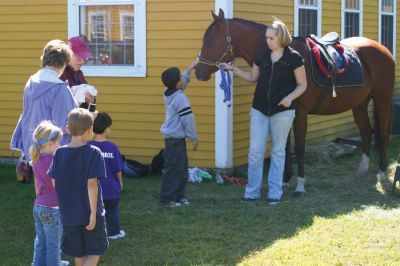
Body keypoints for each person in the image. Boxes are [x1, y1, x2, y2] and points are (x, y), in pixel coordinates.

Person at [221, 18, 307, 205]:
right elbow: (253, 77)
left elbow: (302, 85)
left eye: (270, 38)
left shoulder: (294, 57)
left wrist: (290, 97)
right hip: (259, 108)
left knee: (277, 152)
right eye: (266, 37)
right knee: (255, 152)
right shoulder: (261, 54)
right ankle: (251, 193)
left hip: (282, 111)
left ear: (281, 38)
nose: (267, 41)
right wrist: (234, 69)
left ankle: (274, 193)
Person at [48, 108, 108, 266]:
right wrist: (93, 215)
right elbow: (92, 184)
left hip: (68, 216)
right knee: (95, 252)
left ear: (68, 129)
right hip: (90, 215)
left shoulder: (59, 153)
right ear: (90, 130)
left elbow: (54, 182)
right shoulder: (94, 153)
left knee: (78, 254)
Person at [10, 39, 77, 162]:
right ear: (63, 63)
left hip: (33, 146)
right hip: (53, 149)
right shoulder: (59, 89)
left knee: (40, 181)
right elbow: (66, 124)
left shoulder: (30, 83)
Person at [159, 60, 199, 207]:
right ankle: (167, 198)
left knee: (182, 169)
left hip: (175, 138)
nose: (183, 78)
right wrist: (193, 138)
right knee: (173, 169)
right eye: (180, 78)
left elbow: (183, 80)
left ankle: (179, 196)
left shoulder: (169, 92)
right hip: (174, 140)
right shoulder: (180, 98)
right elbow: (188, 120)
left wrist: (192, 67)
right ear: (177, 84)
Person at [30, 121, 66, 266]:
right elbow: (56, 184)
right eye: (58, 143)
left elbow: (37, 187)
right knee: (54, 244)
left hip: (39, 206)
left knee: (41, 241)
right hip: (53, 209)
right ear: (50, 143)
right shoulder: (54, 160)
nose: (59, 145)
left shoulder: (36, 159)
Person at [88, 112, 125, 240]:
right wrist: (120, 182)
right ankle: (113, 232)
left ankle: (92, 231)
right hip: (110, 188)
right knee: (112, 211)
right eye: (110, 126)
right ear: (106, 128)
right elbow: (118, 169)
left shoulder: (88, 147)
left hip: (91, 189)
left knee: (93, 210)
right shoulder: (112, 148)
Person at [60, 36, 96, 109]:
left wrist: (91, 101)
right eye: (79, 57)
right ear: (68, 54)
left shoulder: (79, 73)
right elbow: (61, 102)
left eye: (84, 58)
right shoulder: (60, 72)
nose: (82, 61)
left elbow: (91, 108)